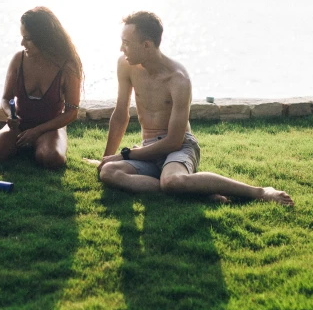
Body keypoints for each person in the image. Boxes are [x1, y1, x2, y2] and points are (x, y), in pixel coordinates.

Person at [98, 11, 294, 206]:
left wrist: (125, 154)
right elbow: (120, 114)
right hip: (148, 148)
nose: (121, 48)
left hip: (180, 146)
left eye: (126, 43)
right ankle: (197, 191)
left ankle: (259, 192)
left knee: (172, 181)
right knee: (109, 172)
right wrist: (106, 159)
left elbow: (173, 142)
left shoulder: (178, 79)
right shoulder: (125, 65)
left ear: (146, 45)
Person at [0, 7, 82, 169]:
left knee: (51, 158)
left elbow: (72, 112)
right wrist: (10, 115)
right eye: (22, 37)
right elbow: (6, 98)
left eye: (28, 38)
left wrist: (37, 131)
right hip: (20, 126)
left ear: (45, 39)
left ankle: (38, 145)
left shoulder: (68, 65)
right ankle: (24, 145)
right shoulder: (18, 59)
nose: (22, 43)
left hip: (50, 128)